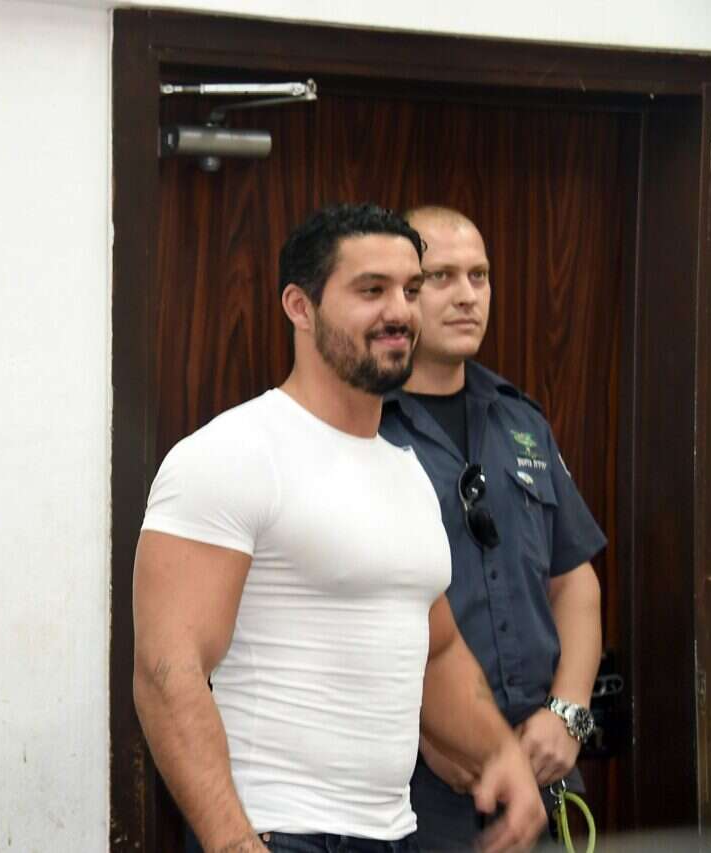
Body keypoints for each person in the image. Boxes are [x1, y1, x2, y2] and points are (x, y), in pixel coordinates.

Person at [132, 203, 546, 853]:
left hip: (394, 833)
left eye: (410, 289)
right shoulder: (234, 453)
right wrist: (234, 842)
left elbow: (436, 650)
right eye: (371, 290)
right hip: (277, 831)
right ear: (300, 306)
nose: (400, 311)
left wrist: (502, 755)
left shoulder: (406, 471)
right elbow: (167, 672)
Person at [378, 206, 605, 850]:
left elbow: (575, 582)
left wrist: (567, 714)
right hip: (415, 779)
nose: (467, 296)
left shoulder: (519, 419)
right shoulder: (362, 427)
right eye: (442, 277)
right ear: (403, 293)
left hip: (540, 761)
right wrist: (432, 732)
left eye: (479, 276)